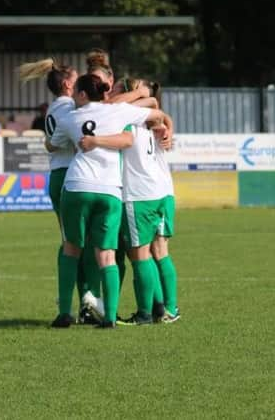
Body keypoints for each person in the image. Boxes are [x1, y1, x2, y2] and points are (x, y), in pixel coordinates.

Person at [48, 73, 170, 328]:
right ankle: (111, 318)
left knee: (71, 249)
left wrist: (83, 140)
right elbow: (155, 115)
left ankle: (64, 314)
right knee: (106, 254)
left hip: (77, 186)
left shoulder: (71, 117)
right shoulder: (119, 112)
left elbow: (52, 145)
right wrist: (163, 125)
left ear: (82, 94)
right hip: (110, 190)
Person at [79, 77, 179, 325]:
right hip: (159, 191)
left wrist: (140, 96)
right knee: (158, 252)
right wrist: (152, 104)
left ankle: (146, 313)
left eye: (117, 89)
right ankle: (164, 308)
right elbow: (159, 113)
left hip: (138, 194)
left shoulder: (125, 115)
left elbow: (113, 104)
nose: (110, 92)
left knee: (140, 255)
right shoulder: (147, 117)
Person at [18, 58, 97, 323]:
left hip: (61, 175)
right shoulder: (68, 108)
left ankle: (79, 303)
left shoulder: (55, 107)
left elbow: (51, 143)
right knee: (75, 243)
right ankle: (74, 305)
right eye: (76, 81)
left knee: (76, 241)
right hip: (68, 176)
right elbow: (70, 139)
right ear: (67, 84)